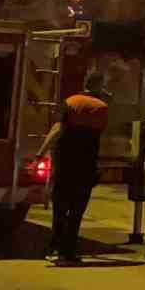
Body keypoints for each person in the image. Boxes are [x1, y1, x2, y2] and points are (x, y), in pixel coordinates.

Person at [35, 71, 110, 266]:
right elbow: (99, 138)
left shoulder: (71, 101)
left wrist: (39, 154)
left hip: (64, 162)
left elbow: (57, 129)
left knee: (59, 208)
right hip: (85, 165)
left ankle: (54, 248)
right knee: (76, 211)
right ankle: (68, 252)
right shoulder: (102, 108)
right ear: (99, 87)